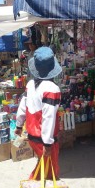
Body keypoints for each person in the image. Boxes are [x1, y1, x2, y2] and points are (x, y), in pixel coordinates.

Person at [15, 46, 62, 180]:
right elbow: (49, 117)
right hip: (43, 138)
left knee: (43, 164)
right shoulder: (52, 89)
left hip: (32, 136)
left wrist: (19, 126)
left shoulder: (30, 84)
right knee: (50, 169)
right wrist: (47, 143)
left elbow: (22, 106)